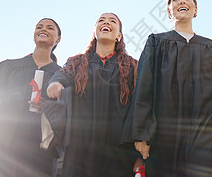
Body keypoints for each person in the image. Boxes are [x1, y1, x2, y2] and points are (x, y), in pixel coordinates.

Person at [129, 0, 212, 177]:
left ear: (195, 10)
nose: (182, 1)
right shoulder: (156, 42)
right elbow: (143, 88)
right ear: (169, 10)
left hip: (208, 133)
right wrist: (141, 135)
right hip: (165, 132)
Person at [46, 12, 142, 177]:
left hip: (118, 156)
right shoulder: (77, 63)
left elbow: (142, 106)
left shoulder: (132, 67)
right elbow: (62, 76)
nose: (106, 22)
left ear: (119, 35)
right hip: (80, 153)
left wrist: (140, 156)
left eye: (112, 21)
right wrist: (56, 83)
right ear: (95, 32)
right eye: (101, 20)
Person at [0, 18, 62, 177]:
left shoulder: (62, 76)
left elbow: (71, 113)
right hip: (5, 149)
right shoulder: (8, 67)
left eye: (50, 28)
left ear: (58, 39)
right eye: (39, 27)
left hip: (41, 153)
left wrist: (49, 108)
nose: (43, 29)